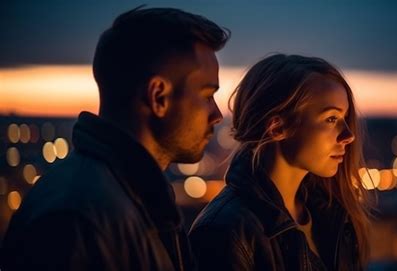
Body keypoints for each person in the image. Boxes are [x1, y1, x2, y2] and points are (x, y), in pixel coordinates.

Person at [1, 6, 229, 271]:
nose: (216, 114)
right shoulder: (77, 219)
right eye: (206, 95)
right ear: (159, 97)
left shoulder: (133, 197)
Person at [189, 54, 373, 270]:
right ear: (277, 128)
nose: (348, 135)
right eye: (331, 119)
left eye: (344, 118)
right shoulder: (223, 233)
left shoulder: (334, 216)